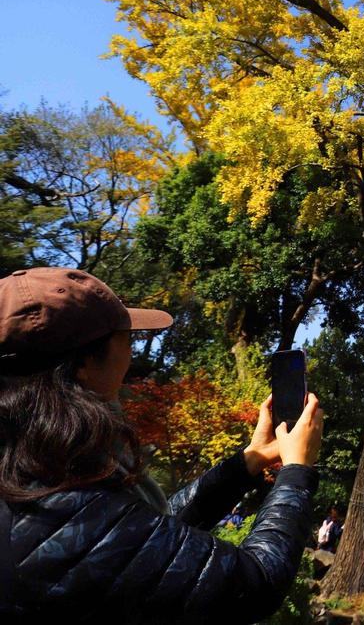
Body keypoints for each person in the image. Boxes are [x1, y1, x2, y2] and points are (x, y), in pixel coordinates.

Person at [0, 267, 323, 624]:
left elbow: (140, 539)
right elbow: (253, 583)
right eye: (126, 338)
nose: (132, 353)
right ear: (85, 362)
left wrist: (250, 460)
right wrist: (296, 472)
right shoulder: (63, 497)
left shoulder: (34, 471)